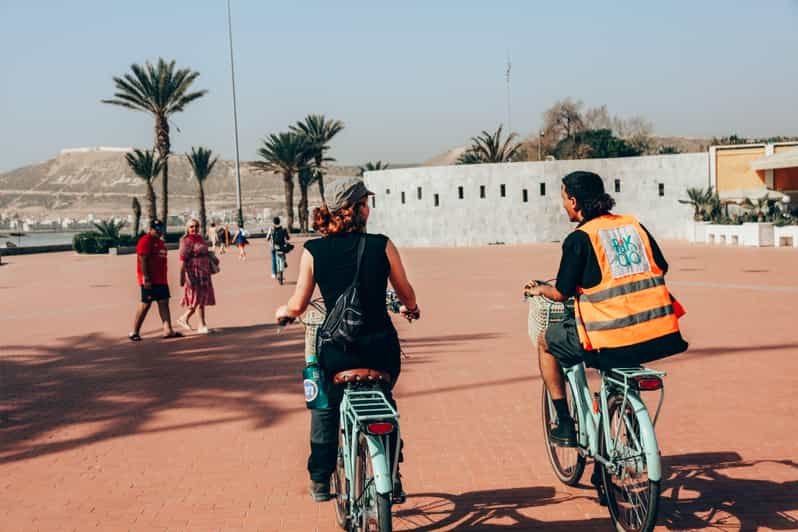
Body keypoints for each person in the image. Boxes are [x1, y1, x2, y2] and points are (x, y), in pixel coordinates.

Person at [275, 176, 421, 503]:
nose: (369, 209)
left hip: (338, 352)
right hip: (381, 350)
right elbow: (405, 292)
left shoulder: (313, 250)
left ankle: (320, 479)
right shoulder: (382, 244)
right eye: (365, 203)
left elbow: (298, 304)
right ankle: (392, 473)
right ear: (356, 209)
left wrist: (282, 311)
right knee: (383, 395)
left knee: (326, 406)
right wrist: (411, 308)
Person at [525, 171, 688, 447]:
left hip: (609, 338)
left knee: (545, 342)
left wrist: (539, 289)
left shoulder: (579, 238)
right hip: (658, 334)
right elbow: (661, 265)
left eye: (564, 198)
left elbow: (562, 291)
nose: (563, 204)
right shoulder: (634, 225)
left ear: (574, 201)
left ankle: (564, 423)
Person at [129, 219, 182, 341]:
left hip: (161, 279)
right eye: (157, 229)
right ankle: (134, 332)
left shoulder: (160, 242)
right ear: (151, 229)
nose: (159, 231)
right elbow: (143, 259)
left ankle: (168, 330)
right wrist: (146, 278)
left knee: (164, 302)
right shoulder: (145, 241)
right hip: (149, 279)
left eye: (161, 229)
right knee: (145, 304)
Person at [176, 219, 216, 334]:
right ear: (187, 228)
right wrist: (182, 278)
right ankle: (201, 325)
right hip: (194, 272)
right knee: (197, 298)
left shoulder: (200, 238)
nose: (194, 229)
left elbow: (205, 251)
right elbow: (183, 261)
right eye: (192, 227)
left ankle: (185, 318)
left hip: (204, 272)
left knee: (201, 298)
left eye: (196, 226)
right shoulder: (186, 241)